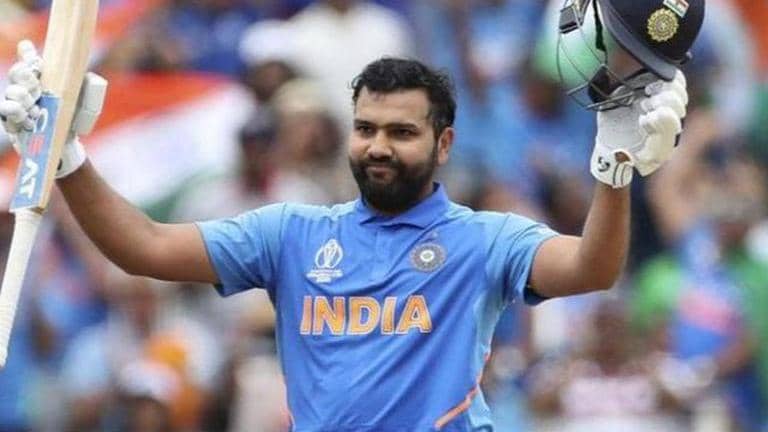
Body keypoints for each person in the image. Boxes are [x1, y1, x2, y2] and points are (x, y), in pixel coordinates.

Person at [0, 1, 702, 429]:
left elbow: (591, 269)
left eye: (402, 132)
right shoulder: (293, 233)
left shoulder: (483, 240)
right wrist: (66, 157)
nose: (378, 147)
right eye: (366, 128)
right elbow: (145, 247)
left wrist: (613, 171)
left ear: (444, 144)